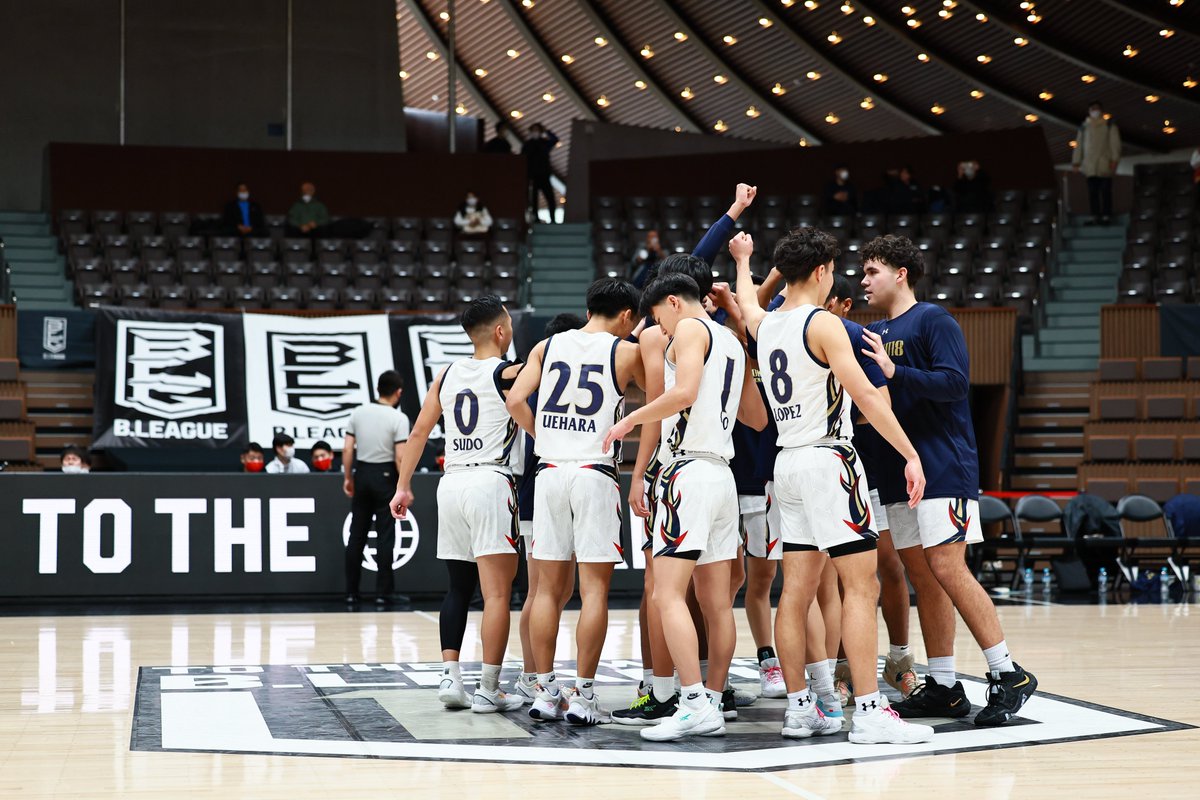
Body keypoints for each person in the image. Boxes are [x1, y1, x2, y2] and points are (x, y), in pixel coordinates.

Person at [732, 228, 934, 745]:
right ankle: (869, 711)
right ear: (822, 271)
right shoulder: (823, 323)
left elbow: (747, 306)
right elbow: (865, 394)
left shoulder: (766, 324)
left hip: (786, 465)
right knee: (861, 587)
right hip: (828, 459)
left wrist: (743, 260)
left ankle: (801, 709)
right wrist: (910, 454)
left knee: (795, 592)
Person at [859, 233, 1037, 727]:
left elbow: (956, 383)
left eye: (872, 271)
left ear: (901, 274)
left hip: (942, 466)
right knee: (923, 576)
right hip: (899, 472)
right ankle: (943, 685)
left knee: (947, 567)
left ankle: (1008, 672)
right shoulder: (875, 330)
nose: (863, 280)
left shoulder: (933, 319)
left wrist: (895, 370)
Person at [613, 183, 759, 727]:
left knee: (666, 595)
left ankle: (691, 700)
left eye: (659, 318)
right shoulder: (732, 340)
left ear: (673, 302)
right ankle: (714, 701)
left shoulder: (691, 329)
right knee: (718, 604)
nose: (659, 330)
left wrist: (629, 420)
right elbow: (756, 418)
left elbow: (683, 393)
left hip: (688, 470)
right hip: (722, 475)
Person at [506, 278, 645, 725]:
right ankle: (583, 695)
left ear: (588, 310)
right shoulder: (625, 351)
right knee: (594, 591)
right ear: (627, 315)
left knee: (546, 590)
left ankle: (546, 691)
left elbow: (515, 399)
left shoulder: (546, 347)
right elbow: (659, 400)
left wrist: (542, 435)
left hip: (548, 471)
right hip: (593, 471)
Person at [390, 295, 525, 714]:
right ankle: (489, 688)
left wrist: (403, 486)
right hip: (490, 481)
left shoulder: (446, 374)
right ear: (500, 331)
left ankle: (450, 676)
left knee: (458, 587)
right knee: (497, 594)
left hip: (450, 483)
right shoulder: (508, 373)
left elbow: (418, 433)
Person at [819, 275, 918, 706]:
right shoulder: (802, 334)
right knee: (834, 577)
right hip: (822, 468)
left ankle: (899, 659)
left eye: (828, 303)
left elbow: (878, 404)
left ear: (844, 305)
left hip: (868, 467)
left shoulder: (857, 339)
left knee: (889, 566)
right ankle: (840, 669)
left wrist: (847, 410)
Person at [511, 312, 586, 705]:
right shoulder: (545, 380)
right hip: (538, 488)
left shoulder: (544, 377)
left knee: (556, 591)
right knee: (542, 591)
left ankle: (534, 675)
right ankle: (531, 676)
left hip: (547, 487)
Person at [342, 371, 410, 606]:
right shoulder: (398, 418)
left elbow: (347, 449)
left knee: (356, 535)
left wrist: (348, 477)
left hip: (362, 473)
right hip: (385, 476)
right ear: (398, 392)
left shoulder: (358, 412)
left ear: (378, 389)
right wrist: (405, 487)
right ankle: (383, 593)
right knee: (385, 535)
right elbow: (400, 457)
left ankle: (351, 592)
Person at [1073, 101, 1121, 225]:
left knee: (1105, 191)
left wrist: (1114, 160)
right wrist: (1076, 162)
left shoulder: (1109, 125)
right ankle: (1095, 215)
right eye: (1092, 109)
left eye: (1097, 108)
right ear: (1089, 111)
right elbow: (1079, 145)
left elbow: (1115, 144)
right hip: (1089, 165)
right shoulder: (1084, 127)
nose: (1095, 111)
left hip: (1104, 163)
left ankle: (1106, 215)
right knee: (1092, 192)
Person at [522, 123, 559, 223]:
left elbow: (555, 140)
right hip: (533, 176)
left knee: (550, 198)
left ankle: (553, 219)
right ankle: (536, 219)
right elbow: (523, 159)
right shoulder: (527, 145)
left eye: (537, 130)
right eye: (533, 130)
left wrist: (546, 131)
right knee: (534, 200)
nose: (535, 132)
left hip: (544, 175)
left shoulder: (544, 143)